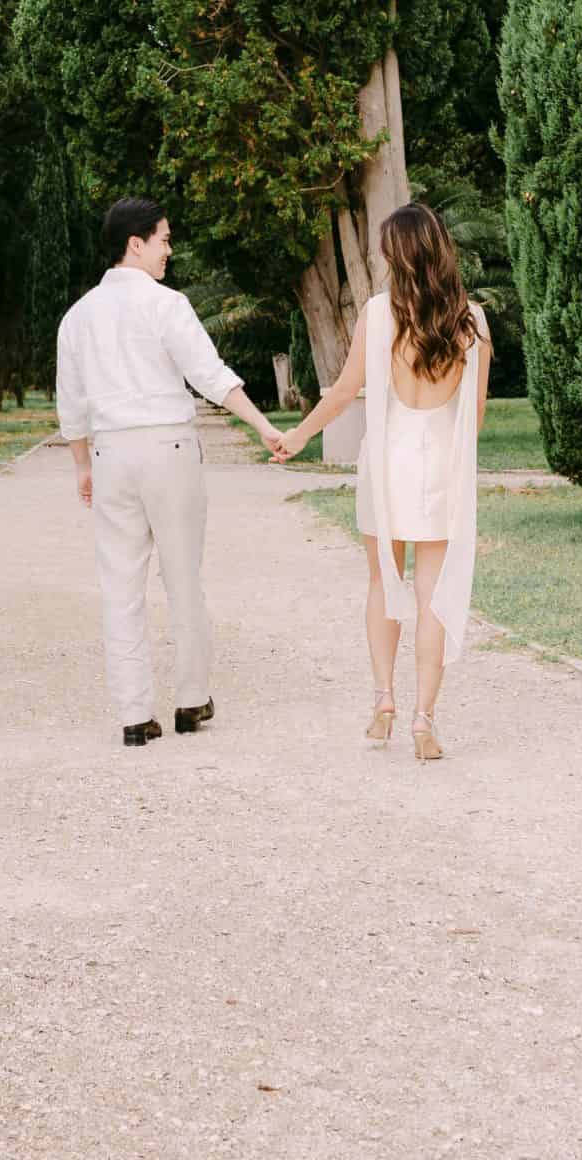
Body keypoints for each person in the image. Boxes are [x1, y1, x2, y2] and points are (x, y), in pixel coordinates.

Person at [56, 198, 283, 746]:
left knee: (120, 587)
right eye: (163, 239)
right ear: (135, 243)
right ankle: (189, 699)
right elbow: (209, 374)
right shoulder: (167, 304)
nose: (169, 250)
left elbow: (72, 405)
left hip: (111, 454)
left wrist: (83, 466)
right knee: (182, 577)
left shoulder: (78, 316)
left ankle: (135, 716)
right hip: (169, 447)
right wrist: (262, 426)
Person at [274, 204, 489, 762]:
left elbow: (344, 391)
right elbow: (475, 419)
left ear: (395, 254)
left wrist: (299, 434)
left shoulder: (379, 313)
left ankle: (384, 700)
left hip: (389, 467)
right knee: (432, 596)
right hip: (441, 470)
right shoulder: (473, 322)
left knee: (382, 585)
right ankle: (424, 718)